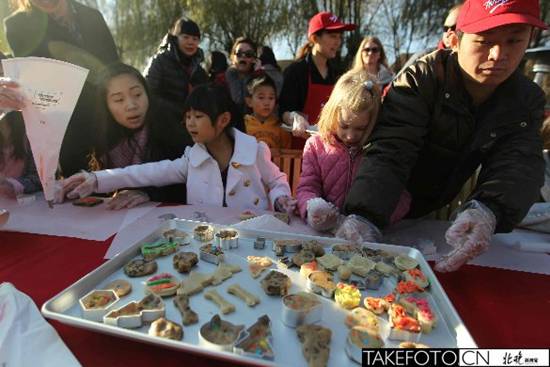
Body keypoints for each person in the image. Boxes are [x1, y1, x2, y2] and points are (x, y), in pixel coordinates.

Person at [338, 0, 548, 272]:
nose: (498, 54)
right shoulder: (423, 77)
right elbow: (391, 148)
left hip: (443, 208)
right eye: (484, 41)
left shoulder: (526, 98)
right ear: (456, 40)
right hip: (385, 195)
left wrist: (488, 209)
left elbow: (518, 162)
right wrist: (364, 215)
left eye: (514, 41)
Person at [59, 83, 297, 213]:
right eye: (188, 116)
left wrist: (280, 199)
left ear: (223, 120)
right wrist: (96, 179)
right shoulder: (191, 159)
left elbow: (276, 181)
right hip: (208, 243)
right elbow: (145, 172)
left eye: (198, 116)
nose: (189, 123)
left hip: (251, 238)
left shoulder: (254, 151)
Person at [4, 0, 119, 177]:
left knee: (119, 181)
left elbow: (113, 64)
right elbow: (35, 76)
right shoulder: (17, 24)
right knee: (81, 191)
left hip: (108, 116)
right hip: (67, 124)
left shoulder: (92, 16)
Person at [296, 69, 410, 232]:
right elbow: (307, 188)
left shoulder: (381, 149)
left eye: (361, 128)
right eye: (344, 126)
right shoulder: (316, 146)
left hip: (368, 236)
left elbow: (401, 197)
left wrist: (373, 220)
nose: (350, 136)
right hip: (325, 234)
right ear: (332, 114)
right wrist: (312, 209)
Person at [88, 63, 190, 208]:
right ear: (106, 105)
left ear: (147, 93)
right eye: (119, 100)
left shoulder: (171, 126)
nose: (131, 105)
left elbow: (186, 182)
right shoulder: (100, 136)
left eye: (137, 95)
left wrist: (149, 194)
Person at [279, 11, 355, 149]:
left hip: (329, 152)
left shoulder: (338, 74)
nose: (338, 42)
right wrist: (294, 117)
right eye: (333, 36)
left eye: (340, 36)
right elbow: (283, 110)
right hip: (298, 152)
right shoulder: (296, 72)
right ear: (315, 38)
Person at [144, 17, 208, 128]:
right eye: (185, 37)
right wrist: (179, 110)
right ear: (175, 38)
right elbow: (148, 94)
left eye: (195, 39)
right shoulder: (159, 61)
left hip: (191, 125)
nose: (190, 42)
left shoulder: (199, 70)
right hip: (163, 123)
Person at [0, 53, 40, 199]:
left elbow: (41, 178)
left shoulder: (31, 124)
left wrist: (12, 185)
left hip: (24, 211)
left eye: (3, 76)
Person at [244, 74, 291, 149]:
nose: (267, 103)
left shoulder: (282, 128)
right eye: (261, 97)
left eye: (271, 98)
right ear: (249, 101)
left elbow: (287, 155)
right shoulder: (243, 126)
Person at [225, 37, 258, 115]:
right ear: (233, 57)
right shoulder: (221, 80)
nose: (243, 57)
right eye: (239, 54)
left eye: (248, 54)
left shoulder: (261, 79)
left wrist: (257, 74)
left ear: (254, 59)